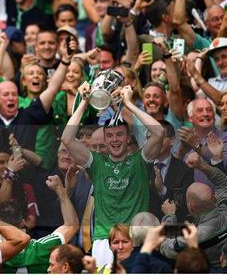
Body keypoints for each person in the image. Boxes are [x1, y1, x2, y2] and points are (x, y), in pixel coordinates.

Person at [62, 83, 164, 266]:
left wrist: (130, 104)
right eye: (110, 136)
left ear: (127, 138)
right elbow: (67, 138)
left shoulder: (140, 161)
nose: (115, 140)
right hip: (104, 240)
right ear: (105, 139)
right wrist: (84, 102)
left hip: (135, 238)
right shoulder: (97, 163)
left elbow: (159, 132)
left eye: (119, 135)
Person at [160, 152, 227, 266]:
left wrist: (170, 216)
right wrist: (201, 165)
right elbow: (223, 183)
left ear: (190, 206)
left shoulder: (194, 237)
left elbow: (165, 247)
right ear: (215, 198)